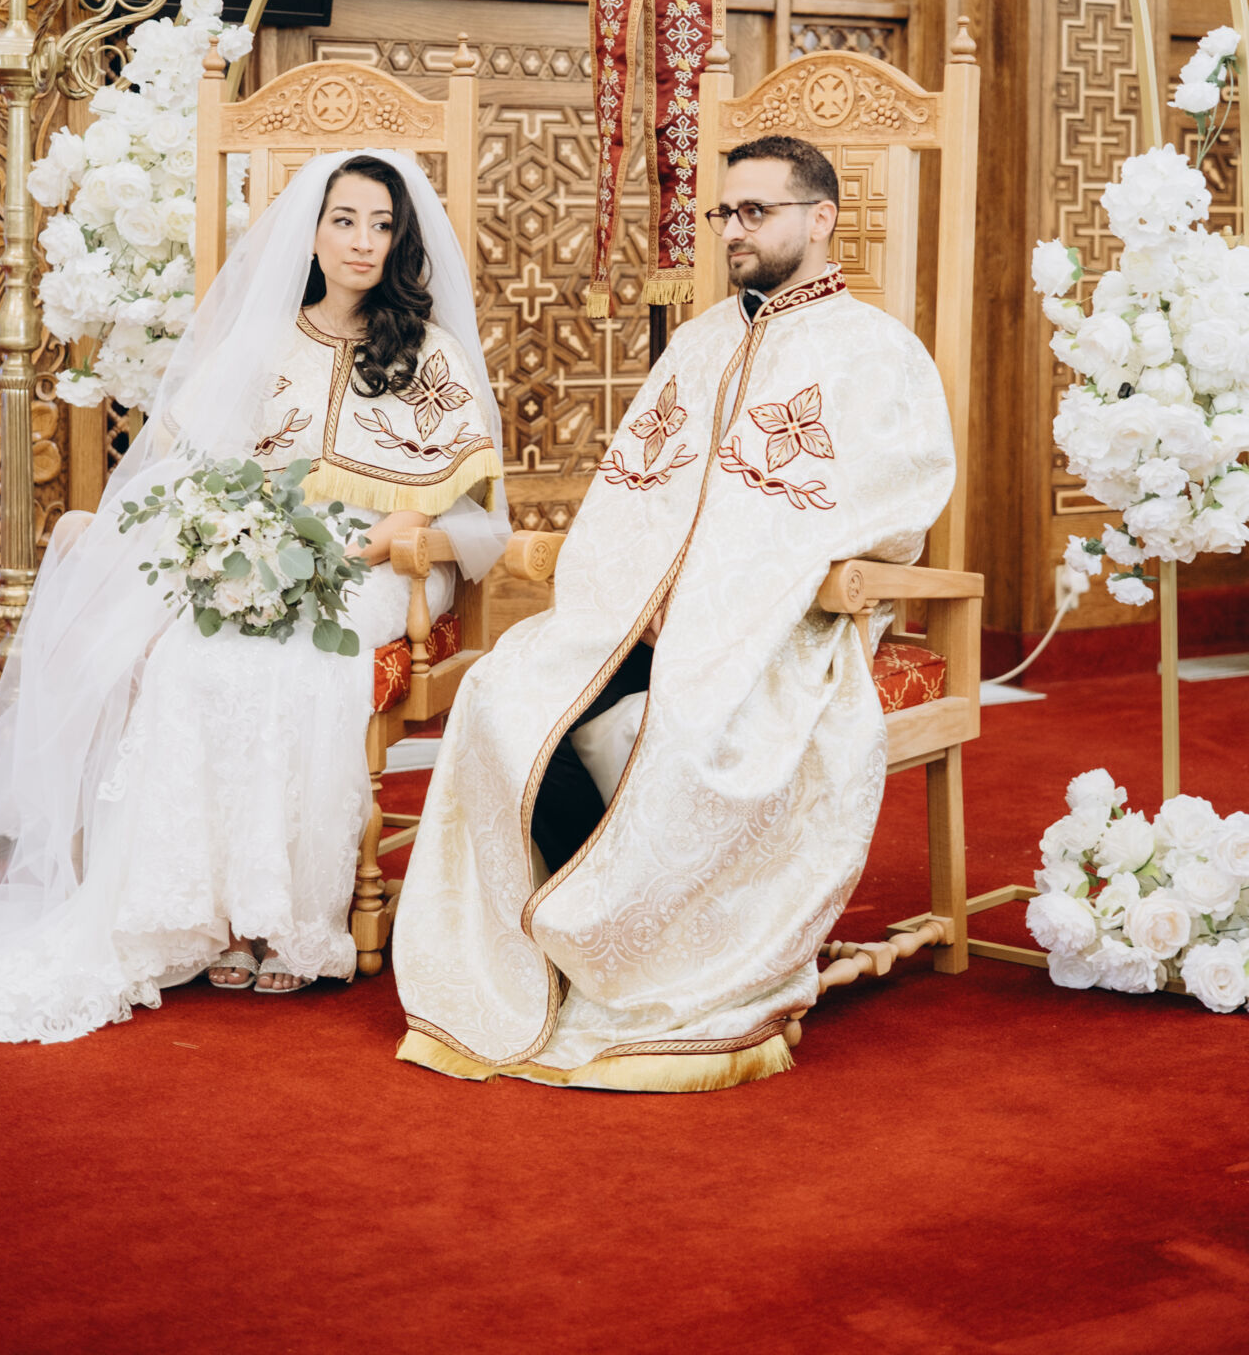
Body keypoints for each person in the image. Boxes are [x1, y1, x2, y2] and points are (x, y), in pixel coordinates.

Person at [395, 135, 956, 1092]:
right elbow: (633, 491)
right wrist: (639, 596)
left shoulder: (878, 353)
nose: (732, 230)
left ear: (821, 219)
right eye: (724, 213)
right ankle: (582, 938)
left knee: (690, 733)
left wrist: (734, 594)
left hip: (775, 629)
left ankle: (651, 959)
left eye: (755, 213)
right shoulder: (698, 342)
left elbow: (895, 515)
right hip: (637, 614)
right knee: (501, 695)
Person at [0, 152, 507, 1042]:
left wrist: (370, 545)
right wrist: (216, 544)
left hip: (382, 564)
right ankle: (210, 914)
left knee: (306, 671)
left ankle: (286, 922)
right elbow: (193, 473)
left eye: (381, 225)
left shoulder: (431, 354)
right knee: (193, 659)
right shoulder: (264, 344)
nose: (362, 240)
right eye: (344, 220)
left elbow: (451, 511)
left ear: (401, 240)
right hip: (256, 553)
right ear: (312, 232)